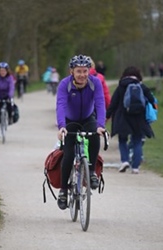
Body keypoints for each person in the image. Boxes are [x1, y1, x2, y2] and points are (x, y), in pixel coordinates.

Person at [56, 54, 106, 210]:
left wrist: (100, 125)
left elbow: (100, 104)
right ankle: (63, 190)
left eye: (85, 71)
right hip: (70, 121)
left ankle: (91, 172)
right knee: (68, 154)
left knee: (95, 137)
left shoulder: (95, 83)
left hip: (88, 118)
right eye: (79, 71)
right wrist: (61, 126)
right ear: (72, 71)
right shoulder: (65, 84)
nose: (83, 75)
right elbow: (61, 105)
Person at [106, 66, 156, 174]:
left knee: (122, 140)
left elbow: (113, 103)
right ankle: (135, 167)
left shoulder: (121, 86)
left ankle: (124, 160)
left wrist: (107, 115)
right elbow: (152, 100)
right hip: (138, 118)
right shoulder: (141, 86)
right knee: (137, 140)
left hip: (123, 118)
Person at [0, 62, 15, 138]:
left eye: (4, 71)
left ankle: (10, 117)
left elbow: (11, 87)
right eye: (1, 71)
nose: (2, 72)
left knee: (10, 105)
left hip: (7, 95)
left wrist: (10, 95)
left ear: (7, 71)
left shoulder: (10, 78)